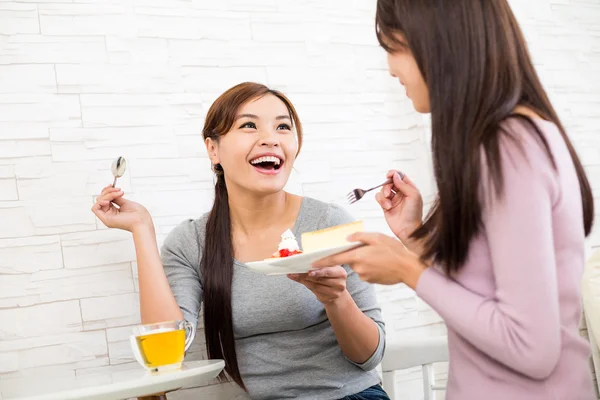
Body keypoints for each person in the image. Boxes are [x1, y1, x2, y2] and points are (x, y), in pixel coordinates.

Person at [314, 1, 596, 399]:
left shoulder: (509, 147)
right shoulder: (514, 137)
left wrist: (407, 268)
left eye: (393, 48)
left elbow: (532, 349)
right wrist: (414, 236)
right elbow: (487, 289)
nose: (391, 68)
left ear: (437, 41)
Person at [91, 82, 389, 400]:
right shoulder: (191, 242)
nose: (271, 138)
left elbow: (369, 355)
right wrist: (142, 231)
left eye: (283, 127)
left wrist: (336, 300)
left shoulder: (328, 223)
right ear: (213, 149)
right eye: (249, 125)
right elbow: (168, 354)